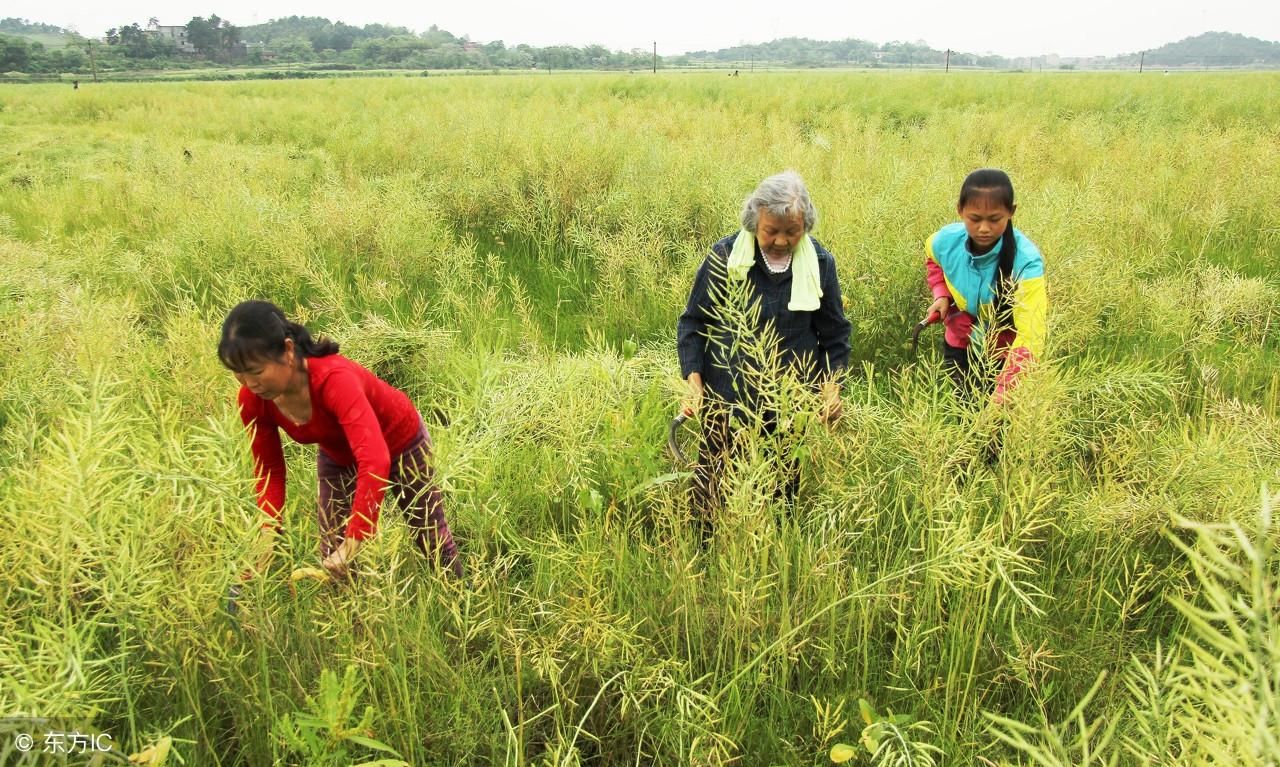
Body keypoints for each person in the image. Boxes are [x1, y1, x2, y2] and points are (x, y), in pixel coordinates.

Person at [219, 300, 462, 580]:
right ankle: (351, 621)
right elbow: (270, 471)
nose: (249, 383)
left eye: (257, 371)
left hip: (401, 441)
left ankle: (457, 598)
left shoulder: (334, 378)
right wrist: (266, 537)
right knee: (332, 556)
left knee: (430, 536)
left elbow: (375, 458)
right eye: (238, 373)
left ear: (287, 351)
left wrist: (355, 540)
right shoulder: (252, 400)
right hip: (339, 453)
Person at [677, 170, 852, 540]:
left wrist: (831, 389)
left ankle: (775, 551)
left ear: (806, 225)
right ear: (755, 217)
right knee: (713, 483)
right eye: (771, 229)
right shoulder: (725, 256)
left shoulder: (820, 263)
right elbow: (692, 323)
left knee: (782, 488)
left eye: (793, 231)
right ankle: (704, 552)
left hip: (789, 398)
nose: (781, 240)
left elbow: (835, 336)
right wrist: (694, 382)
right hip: (727, 392)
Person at [923, 168, 1047, 404]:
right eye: (975, 219)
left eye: (994, 219)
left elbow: (1031, 336)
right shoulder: (945, 241)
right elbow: (933, 260)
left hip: (1005, 356)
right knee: (965, 414)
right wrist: (942, 295)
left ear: (1011, 212)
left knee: (995, 431)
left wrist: (1002, 395)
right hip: (959, 344)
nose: (984, 228)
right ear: (960, 210)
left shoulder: (1026, 263)